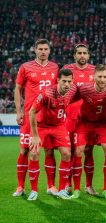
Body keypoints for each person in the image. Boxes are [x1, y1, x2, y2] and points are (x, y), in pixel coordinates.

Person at [13, 39, 59, 197]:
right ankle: (20, 186)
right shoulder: (25, 67)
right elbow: (18, 89)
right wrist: (18, 111)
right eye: (40, 49)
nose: (43, 51)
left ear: (49, 50)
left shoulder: (55, 67)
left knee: (49, 151)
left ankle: (51, 186)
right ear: (35, 50)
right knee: (24, 151)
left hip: (48, 118)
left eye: (46, 49)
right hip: (29, 115)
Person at [28, 69, 77, 200]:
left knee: (67, 154)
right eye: (64, 81)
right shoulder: (47, 93)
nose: (67, 84)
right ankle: (34, 191)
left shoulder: (72, 91)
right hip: (41, 126)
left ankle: (61, 190)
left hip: (59, 126)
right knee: (34, 153)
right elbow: (32, 112)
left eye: (69, 81)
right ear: (58, 81)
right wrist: (35, 135)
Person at [71, 64, 106, 199]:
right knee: (79, 151)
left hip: (102, 123)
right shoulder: (84, 89)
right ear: (94, 76)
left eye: (105, 77)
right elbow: (69, 98)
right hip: (84, 123)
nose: (102, 79)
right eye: (99, 76)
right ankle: (76, 189)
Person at [63, 43, 97, 195]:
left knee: (88, 150)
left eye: (85, 53)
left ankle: (88, 185)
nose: (82, 55)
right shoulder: (67, 69)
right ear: (75, 55)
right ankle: (68, 184)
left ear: (88, 55)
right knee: (70, 151)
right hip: (72, 118)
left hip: (89, 119)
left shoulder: (94, 70)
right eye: (79, 53)